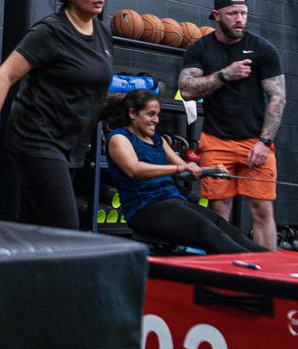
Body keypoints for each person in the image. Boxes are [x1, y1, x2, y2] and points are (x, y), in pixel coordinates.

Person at [0, 0, 113, 229]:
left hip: (71, 143)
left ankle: (14, 273)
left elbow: (88, 88)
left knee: (34, 227)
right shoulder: (51, 31)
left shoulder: (102, 33)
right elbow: (4, 76)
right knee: (65, 229)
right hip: (36, 137)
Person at [178, 0, 285, 249]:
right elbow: (187, 89)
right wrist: (224, 74)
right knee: (219, 211)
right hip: (217, 141)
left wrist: (264, 141)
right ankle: (219, 274)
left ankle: (267, 276)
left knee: (262, 210)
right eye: (233, 13)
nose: (239, 19)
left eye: (244, 13)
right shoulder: (200, 49)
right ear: (217, 15)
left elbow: (277, 98)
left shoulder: (262, 50)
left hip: (256, 142)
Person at [104, 90, 264, 254]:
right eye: (151, 114)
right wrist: (181, 168)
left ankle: (273, 261)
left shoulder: (157, 139)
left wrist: (209, 171)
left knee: (227, 229)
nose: (156, 120)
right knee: (212, 235)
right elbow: (134, 170)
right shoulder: (119, 138)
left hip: (172, 200)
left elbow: (184, 172)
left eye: (158, 115)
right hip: (144, 208)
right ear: (132, 113)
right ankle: (257, 274)